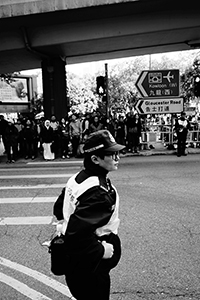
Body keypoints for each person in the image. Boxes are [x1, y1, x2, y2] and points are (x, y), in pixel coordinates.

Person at [53, 130, 125, 300]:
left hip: (76, 262)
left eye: (117, 153)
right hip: (89, 263)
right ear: (95, 159)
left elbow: (59, 209)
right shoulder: (98, 192)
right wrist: (101, 250)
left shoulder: (78, 178)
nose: (117, 158)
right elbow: (77, 236)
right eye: (111, 154)